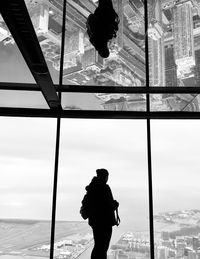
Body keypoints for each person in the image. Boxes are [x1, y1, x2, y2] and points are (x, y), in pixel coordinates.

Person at [85, 168, 119, 259]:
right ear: (105, 177)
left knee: (98, 246)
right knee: (103, 247)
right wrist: (115, 205)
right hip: (105, 222)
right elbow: (107, 206)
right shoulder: (104, 188)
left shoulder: (92, 187)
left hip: (95, 222)